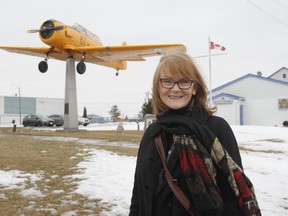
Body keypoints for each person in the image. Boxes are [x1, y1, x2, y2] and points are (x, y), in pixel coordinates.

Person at [129, 52, 261, 216]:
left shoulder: (216, 128)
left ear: (194, 88)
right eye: (167, 81)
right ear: (158, 87)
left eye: (184, 82)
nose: (175, 89)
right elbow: (139, 195)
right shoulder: (152, 133)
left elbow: (232, 195)